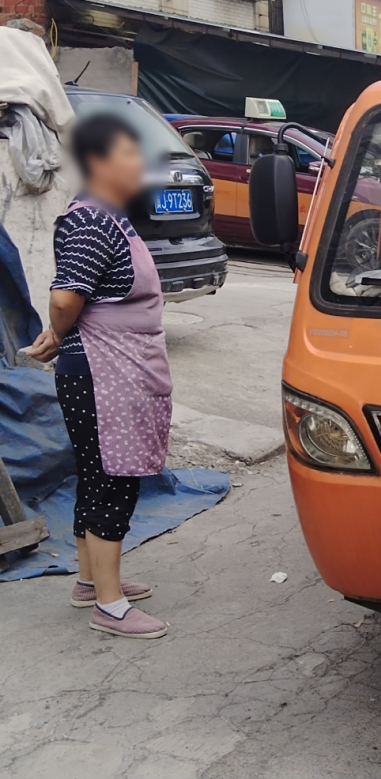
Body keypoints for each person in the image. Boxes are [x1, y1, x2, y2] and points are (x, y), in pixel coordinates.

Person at [26, 113, 172, 639]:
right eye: (129, 154)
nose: (140, 165)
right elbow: (66, 296)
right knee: (114, 476)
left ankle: (90, 581)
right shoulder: (90, 219)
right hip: (102, 368)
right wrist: (57, 331)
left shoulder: (110, 215)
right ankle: (108, 606)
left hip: (113, 365)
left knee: (97, 470)